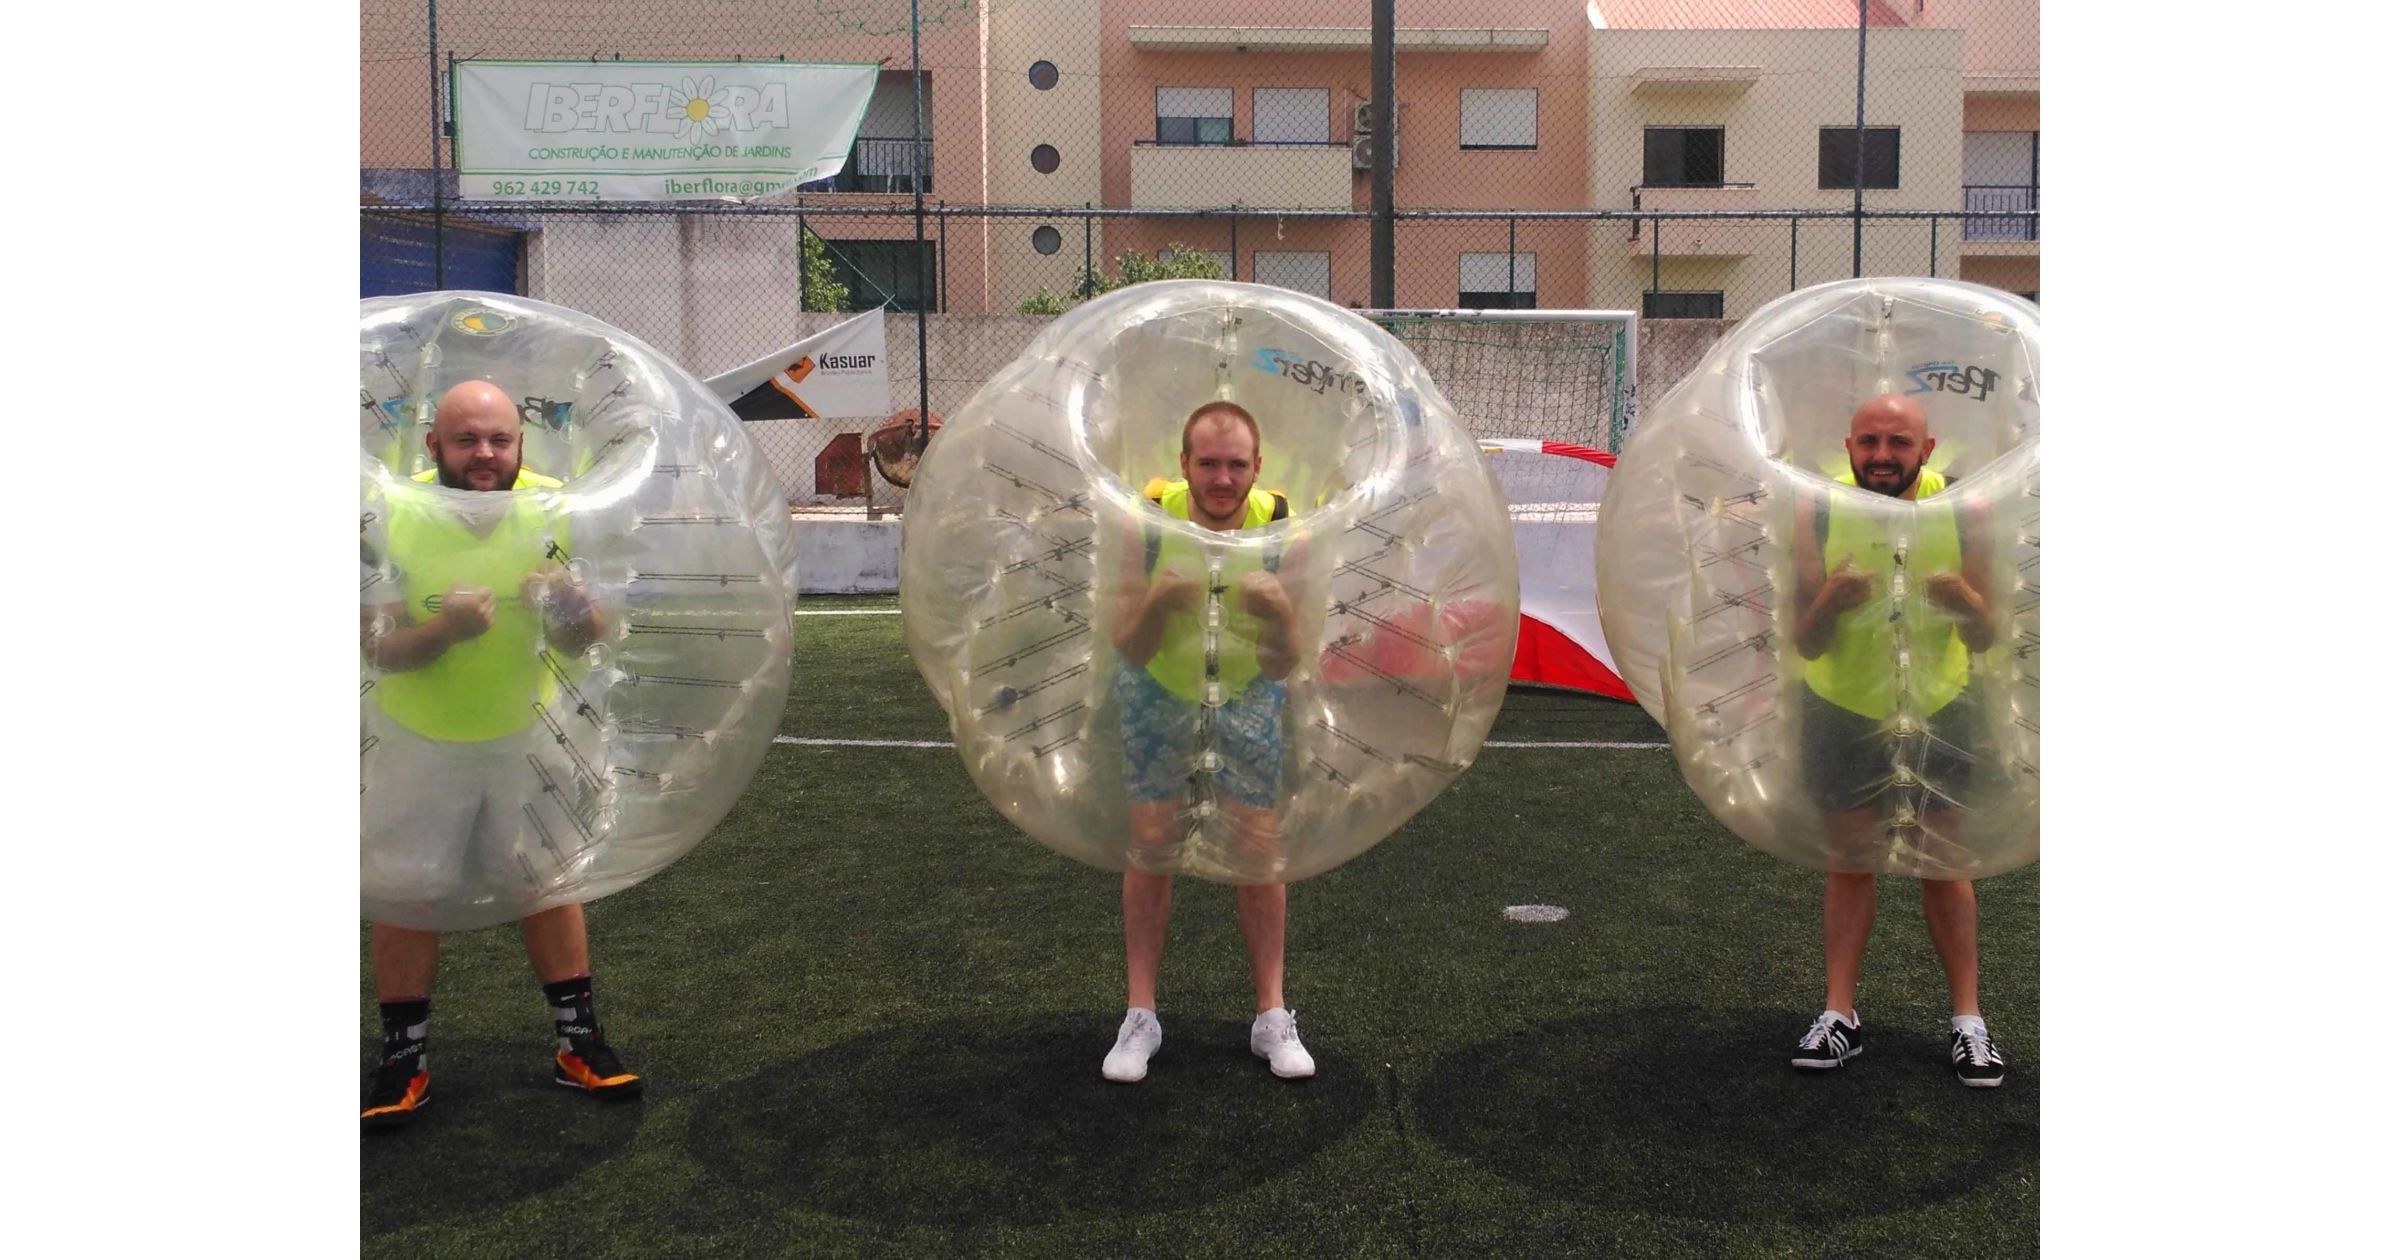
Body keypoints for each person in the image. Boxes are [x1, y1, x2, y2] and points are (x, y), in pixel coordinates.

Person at [358, 380, 641, 1131]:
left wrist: (571, 607)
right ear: (433, 446)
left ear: (520, 443)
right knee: (406, 891)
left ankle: (579, 1045)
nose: (485, 456)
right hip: (420, 737)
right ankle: (403, 1060)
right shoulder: (394, 510)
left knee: (547, 884)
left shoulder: (556, 506)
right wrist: (445, 633)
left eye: (499, 441)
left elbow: (593, 637)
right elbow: (375, 646)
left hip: (529, 733)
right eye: (466, 441)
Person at [1786, 392, 2008, 1087]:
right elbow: (1807, 642)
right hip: (1843, 707)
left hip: (1941, 705)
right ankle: (1839, 1015)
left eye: (1899, 443)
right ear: (1849, 448)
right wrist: (1833, 601)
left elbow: (1987, 634)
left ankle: (1969, 1022)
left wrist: (1965, 603)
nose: (1883, 456)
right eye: (1870, 442)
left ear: (1927, 450)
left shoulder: (1965, 510)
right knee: (1851, 860)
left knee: (1945, 864)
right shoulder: (1817, 509)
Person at [1098, 401, 1315, 1083]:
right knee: (1152, 840)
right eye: (1209, 464)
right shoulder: (1147, 522)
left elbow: (1288, 662)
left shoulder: (1283, 529)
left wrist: (1279, 611)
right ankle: (1140, 1016)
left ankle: (1272, 1016)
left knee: (1258, 843)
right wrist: (1160, 600)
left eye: (1237, 465)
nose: (1223, 479)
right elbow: (1128, 647)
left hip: (1250, 691)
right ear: (1184, 462)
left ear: (1258, 466)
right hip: (1159, 689)